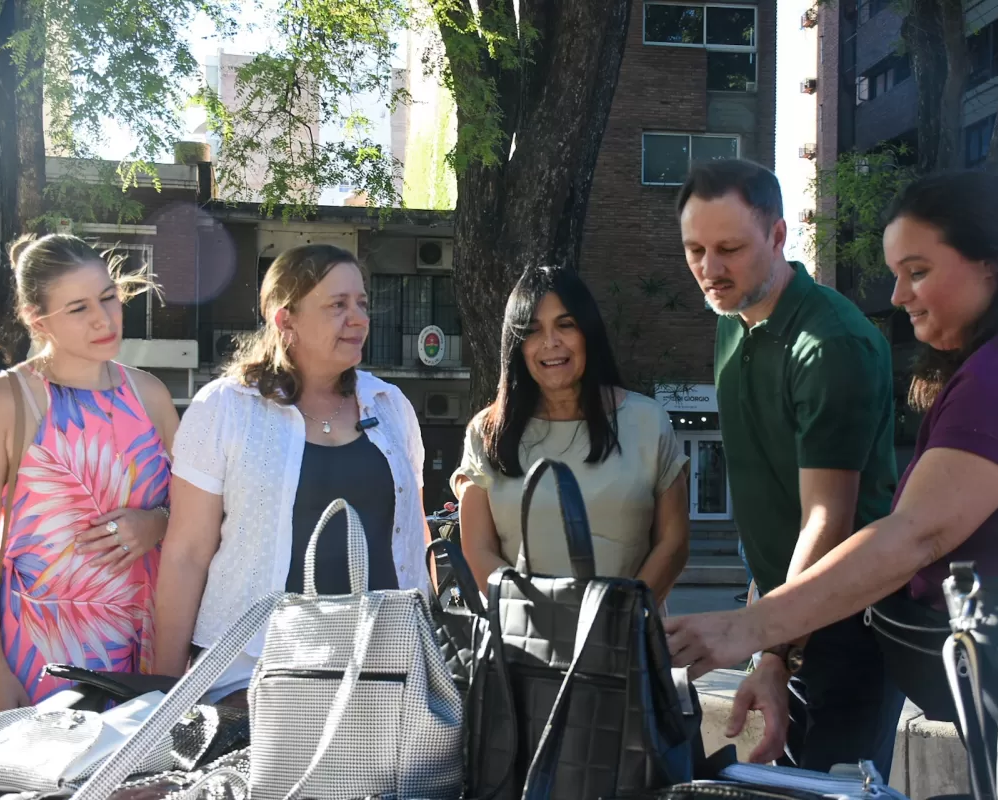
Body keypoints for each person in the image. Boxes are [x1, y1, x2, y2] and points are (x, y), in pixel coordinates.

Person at [665, 170, 998, 754]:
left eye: (917, 272)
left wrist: (750, 632)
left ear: (990, 263)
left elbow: (915, 534)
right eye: (896, 275)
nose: (896, 297)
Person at [666, 159, 905, 777]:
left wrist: (771, 647)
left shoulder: (830, 346)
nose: (709, 270)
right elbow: (769, 505)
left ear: (778, 237)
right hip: (787, 621)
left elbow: (827, 519)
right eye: (695, 249)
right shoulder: (731, 323)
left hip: (853, 623)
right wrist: (767, 647)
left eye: (729, 249)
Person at [152, 244, 430, 704]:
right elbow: (185, 554)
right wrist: (164, 690)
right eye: (337, 305)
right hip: (252, 677)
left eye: (362, 303)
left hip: (382, 674)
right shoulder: (225, 408)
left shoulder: (392, 408)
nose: (359, 317)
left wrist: (427, 645)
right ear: (286, 320)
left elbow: (413, 539)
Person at [0, 234, 178, 712]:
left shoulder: (151, 395)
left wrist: (155, 523)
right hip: (37, 657)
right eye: (78, 308)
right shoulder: (1, 401)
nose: (103, 317)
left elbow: (197, 517)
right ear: (37, 319)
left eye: (108, 297)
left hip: (147, 649)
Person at [452, 265, 690, 600]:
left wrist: (617, 618)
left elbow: (674, 544)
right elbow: (477, 552)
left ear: (588, 332)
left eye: (566, 325)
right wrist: (541, 622)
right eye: (533, 331)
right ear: (517, 345)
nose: (551, 343)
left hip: (628, 639)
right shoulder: (486, 432)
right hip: (522, 643)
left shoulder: (648, 421)